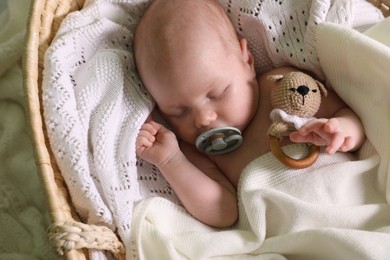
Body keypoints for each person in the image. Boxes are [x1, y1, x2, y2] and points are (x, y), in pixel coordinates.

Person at [134, 0, 365, 228]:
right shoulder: (197, 151)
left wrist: (343, 130)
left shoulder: (279, 88)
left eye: (217, 93)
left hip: (354, 201)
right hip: (292, 233)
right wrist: (171, 161)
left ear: (248, 61)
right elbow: (223, 212)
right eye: (179, 112)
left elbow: (348, 115)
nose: (203, 119)